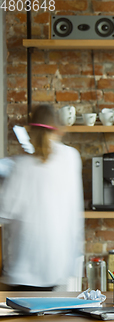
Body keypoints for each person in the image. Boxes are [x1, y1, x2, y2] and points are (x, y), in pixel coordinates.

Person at [0, 104, 84, 291]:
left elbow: (4, 211)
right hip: (58, 265)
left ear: (30, 131)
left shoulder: (21, 167)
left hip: (25, 268)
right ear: (58, 129)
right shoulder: (72, 158)